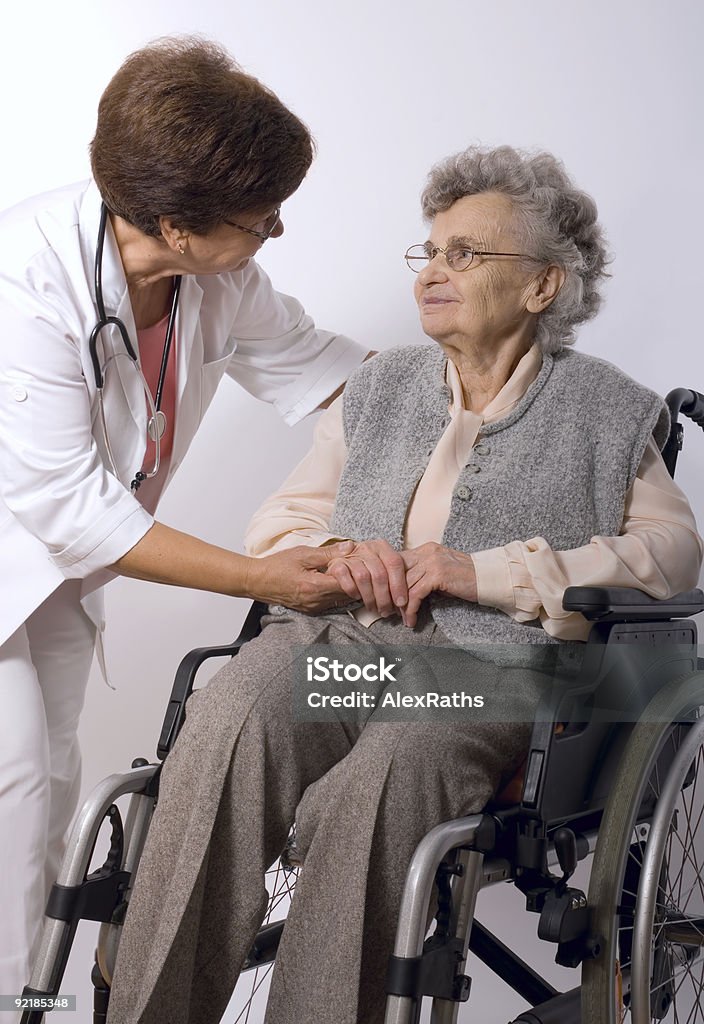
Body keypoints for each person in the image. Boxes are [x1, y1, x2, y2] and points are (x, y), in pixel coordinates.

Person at [106, 145, 703, 1024]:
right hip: (346, 647)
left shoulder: (611, 409)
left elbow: (673, 554)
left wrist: (491, 572)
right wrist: (340, 550)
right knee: (231, 715)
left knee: (381, 779)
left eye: (467, 254)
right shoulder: (380, 385)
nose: (433, 272)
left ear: (544, 285)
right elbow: (282, 522)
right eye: (430, 251)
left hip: (489, 666)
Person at [0, 36, 370, 1004]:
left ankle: (33, 999)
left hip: (47, 576)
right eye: (261, 216)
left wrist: (486, 391)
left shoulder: (216, 279)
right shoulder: (23, 280)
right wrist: (265, 578)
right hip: (38, 542)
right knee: (14, 787)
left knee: (43, 811)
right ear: (173, 221)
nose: (276, 230)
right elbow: (75, 509)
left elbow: (324, 369)